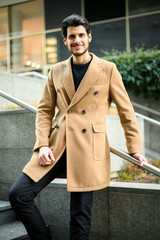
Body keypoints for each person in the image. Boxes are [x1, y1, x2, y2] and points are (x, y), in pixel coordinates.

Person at [9, 14, 147, 240]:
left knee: (80, 216)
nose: (77, 40)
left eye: (81, 35)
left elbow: (126, 112)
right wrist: (42, 144)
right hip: (57, 146)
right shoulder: (56, 71)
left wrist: (135, 149)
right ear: (65, 40)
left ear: (89, 37)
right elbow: (45, 110)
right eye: (72, 36)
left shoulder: (108, 69)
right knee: (18, 194)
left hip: (87, 148)